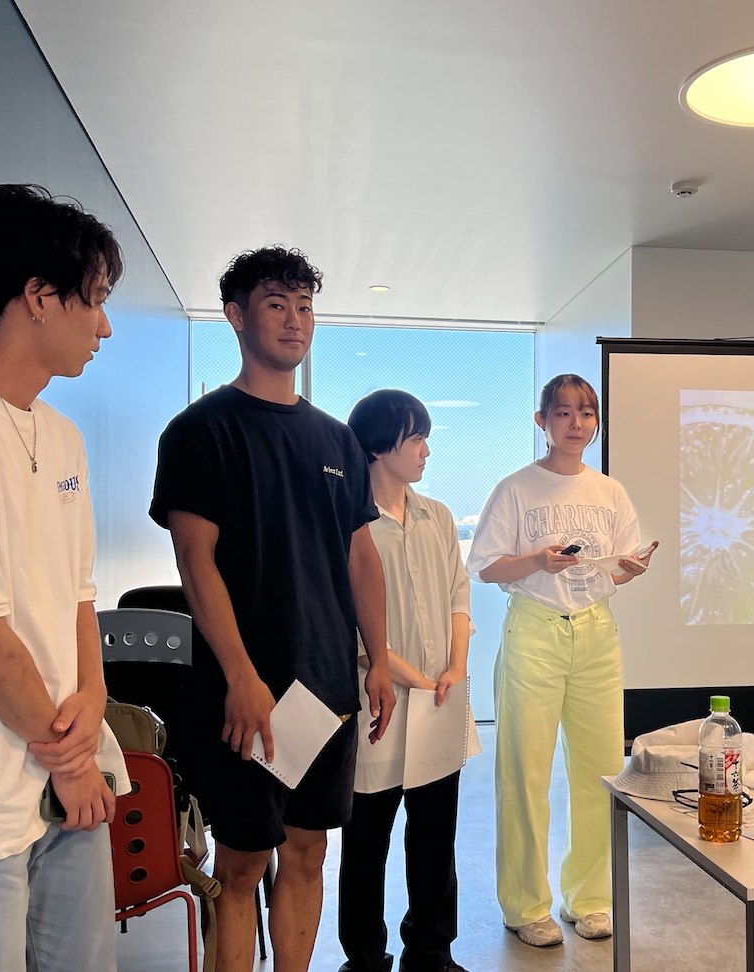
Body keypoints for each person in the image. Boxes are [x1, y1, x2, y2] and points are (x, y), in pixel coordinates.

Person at [149, 246, 395, 972]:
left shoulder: (336, 439)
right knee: (243, 862)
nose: (295, 320)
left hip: (325, 687)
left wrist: (379, 660)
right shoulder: (201, 431)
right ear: (236, 316)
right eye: (276, 304)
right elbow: (194, 561)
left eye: (305, 306)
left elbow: (360, 557)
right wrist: (240, 675)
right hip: (246, 690)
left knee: (309, 851)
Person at [0, 183, 130, 971]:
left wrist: (93, 700)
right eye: (94, 300)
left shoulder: (63, 436)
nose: (104, 326)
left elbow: (78, 594)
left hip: (71, 777)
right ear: (38, 297)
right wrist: (71, 763)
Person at [465, 373, 656, 948]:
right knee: (524, 772)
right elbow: (486, 566)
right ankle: (526, 906)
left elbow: (617, 567)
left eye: (587, 412)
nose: (577, 423)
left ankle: (590, 899)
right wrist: (537, 561)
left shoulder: (610, 491)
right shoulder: (516, 488)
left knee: (601, 770)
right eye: (564, 412)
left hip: (596, 632)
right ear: (542, 421)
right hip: (534, 630)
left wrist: (630, 568)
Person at [338, 390, 475, 972]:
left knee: (436, 835)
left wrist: (455, 669)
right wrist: (412, 676)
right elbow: (348, 622)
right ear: (378, 445)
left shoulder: (436, 516)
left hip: (439, 699)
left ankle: (431, 950)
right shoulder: (349, 521)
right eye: (415, 438)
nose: (425, 450)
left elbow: (458, 596)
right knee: (366, 840)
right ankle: (365, 956)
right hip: (380, 700)